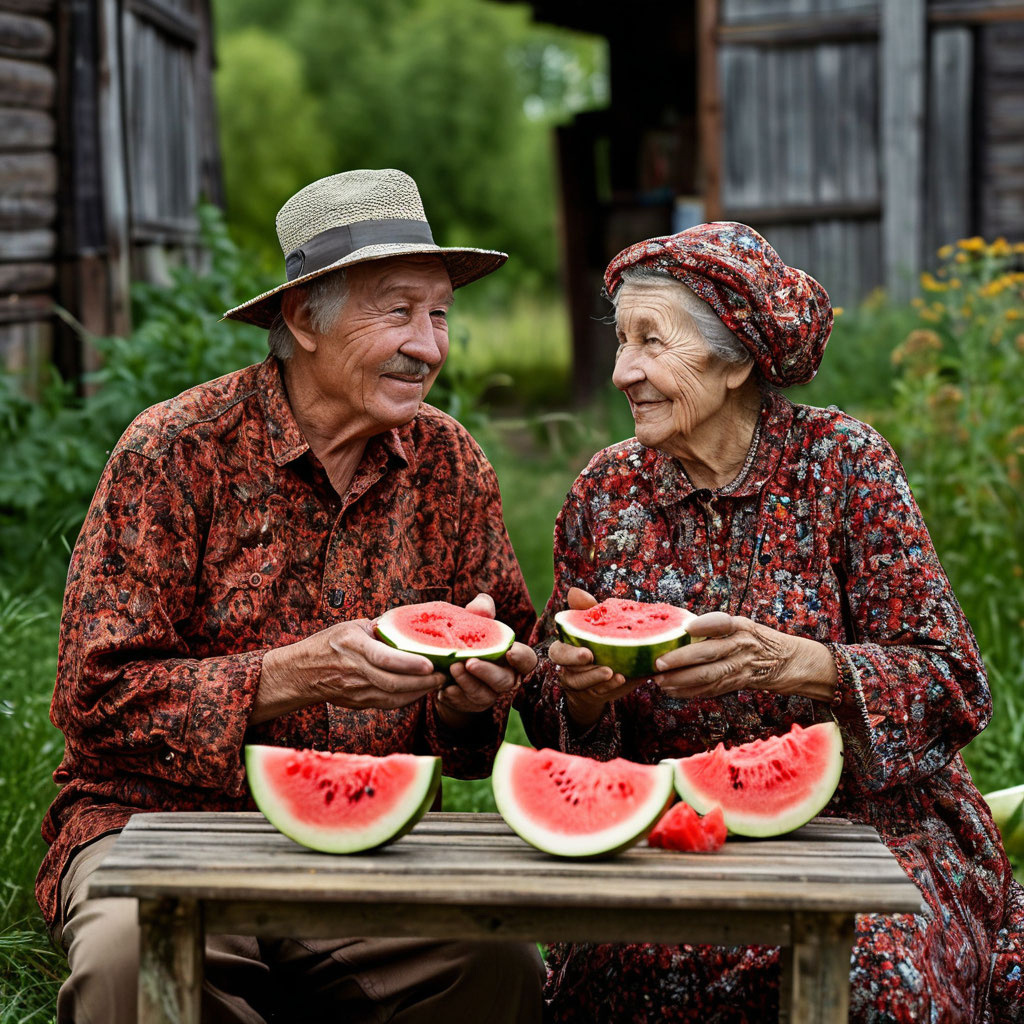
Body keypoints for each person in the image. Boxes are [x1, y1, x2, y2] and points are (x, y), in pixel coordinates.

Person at [39, 168, 545, 1023]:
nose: (429, 345)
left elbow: (478, 728)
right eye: (398, 312)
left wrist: (473, 702)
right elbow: (95, 698)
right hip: (155, 823)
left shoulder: (450, 464)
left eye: (441, 315)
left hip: (364, 835)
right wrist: (287, 678)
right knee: (132, 969)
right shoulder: (173, 452)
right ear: (305, 318)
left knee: (497, 970)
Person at [517, 222, 1023, 1022]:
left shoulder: (844, 465)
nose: (623, 372)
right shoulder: (605, 492)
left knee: (873, 977)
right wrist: (578, 698)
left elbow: (954, 681)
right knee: (612, 982)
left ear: (739, 359)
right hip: (676, 834)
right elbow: (553, 721)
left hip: (871, 830)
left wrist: (795, 663)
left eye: (652, 342)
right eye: (620, 341)